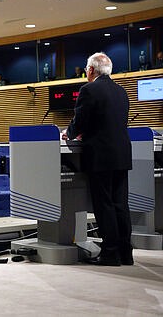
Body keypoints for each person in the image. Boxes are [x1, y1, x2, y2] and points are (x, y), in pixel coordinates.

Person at [62, 52, 133, 266]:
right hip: (121, 153)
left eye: (86, 68)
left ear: (91, 70)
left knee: (105, 205)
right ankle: (125, 253)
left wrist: (70, 133)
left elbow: (81, 119)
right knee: (120, 204)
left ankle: (110, 254)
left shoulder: (89, 89)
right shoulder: (121, 91)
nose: (86, 72)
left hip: (101, 155)